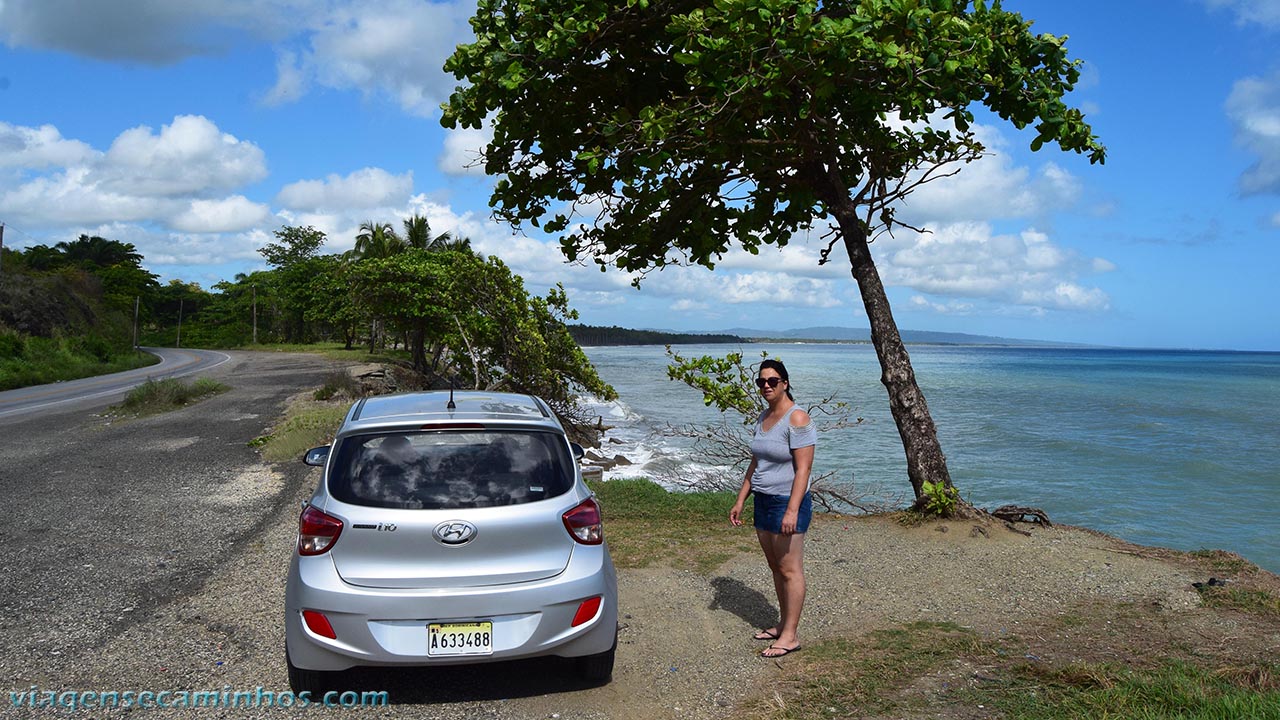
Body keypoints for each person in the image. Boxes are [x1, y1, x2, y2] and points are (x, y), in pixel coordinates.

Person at [729, 359, 816, 658]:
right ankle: (782, 625)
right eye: (762, 381)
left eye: (773, 381)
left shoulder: (798, 419)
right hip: (763, 500)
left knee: (791, 570)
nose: (766, 385)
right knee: (776, 568)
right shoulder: (763, 418)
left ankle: (790, 635)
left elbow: (803, 470)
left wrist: (792, 510)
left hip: (786, 502)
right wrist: (742, 498)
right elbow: (756, 462)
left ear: (785, 383)